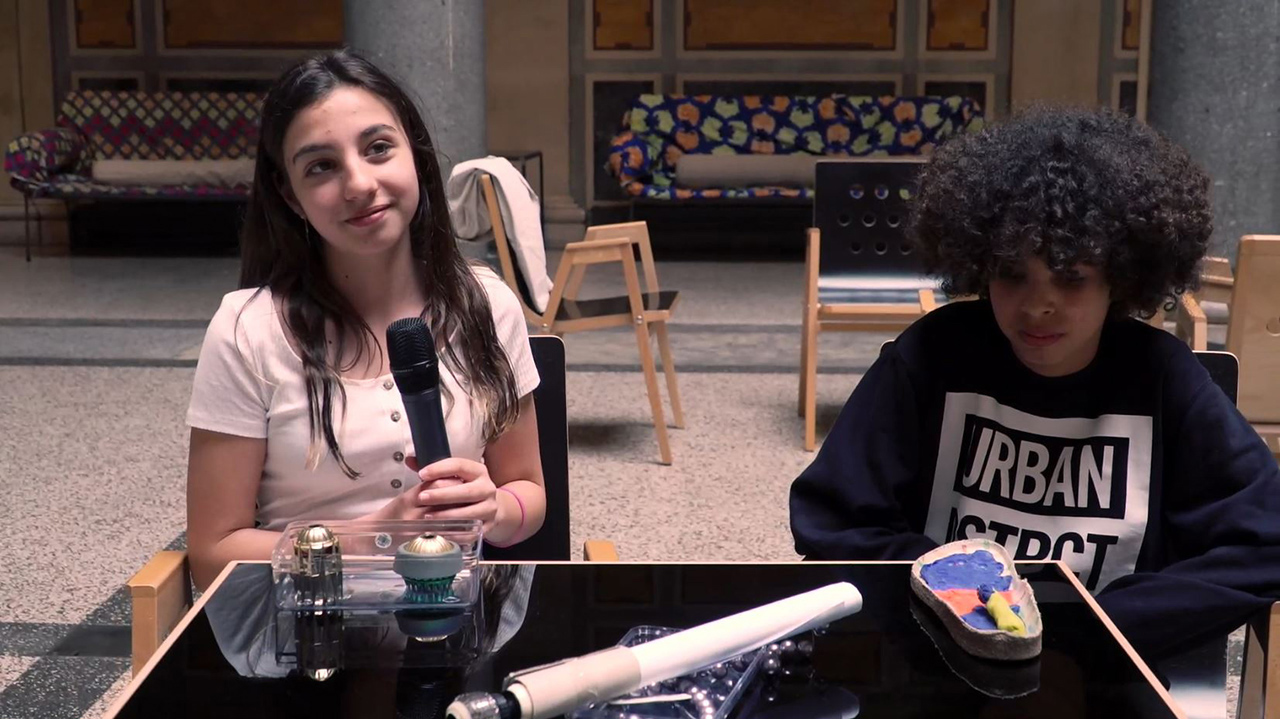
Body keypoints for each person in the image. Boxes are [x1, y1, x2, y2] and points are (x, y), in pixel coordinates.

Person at [789, 106, 1280, 660]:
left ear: (1121, 279)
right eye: (1012, 274)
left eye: (1071, 279)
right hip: (937, 657)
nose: (1038, 305)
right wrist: (955, 605)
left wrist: (1101, 628)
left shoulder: (1164, 377)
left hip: (1105, 667)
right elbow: (834, 520)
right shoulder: (934, 353)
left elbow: (1266, 541)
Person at [186, 49, 545, 590]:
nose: (358, 184)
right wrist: (373, 535)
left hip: (453, 613)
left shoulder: (487, 304)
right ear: (290, 195)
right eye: (321, 166)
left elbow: (529, 493)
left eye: (378, 148)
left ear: (415, 154)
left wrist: (495, 508)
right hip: (306, 621)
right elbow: (214, 552)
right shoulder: (247, 331)